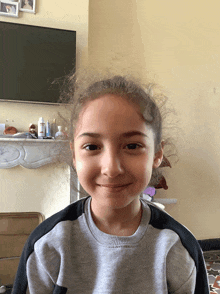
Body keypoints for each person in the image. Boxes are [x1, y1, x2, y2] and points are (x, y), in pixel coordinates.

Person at [12, 71, 209, 293]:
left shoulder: (177, 248)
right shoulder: (47, 245)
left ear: (157, 154)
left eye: (132, 146)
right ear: (74, 155)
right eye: (92, 147)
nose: (112, 168)